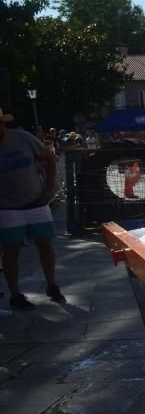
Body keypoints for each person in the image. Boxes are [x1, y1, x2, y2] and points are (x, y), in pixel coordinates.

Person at [0, 109, 66, 311]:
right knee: (11, 250)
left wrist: (48, 189)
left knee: (45, 245)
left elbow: (49, 158)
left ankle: (52, 285)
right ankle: (15, 294)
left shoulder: (23, 138)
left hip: (37, 203)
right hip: (8, 207)